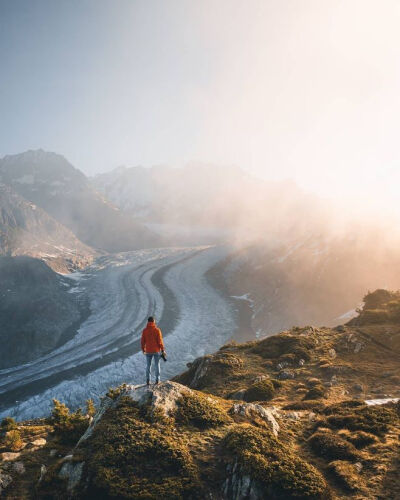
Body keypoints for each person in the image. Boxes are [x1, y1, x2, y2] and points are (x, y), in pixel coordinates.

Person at [141, 316, 166, 385]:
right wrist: (163, 349)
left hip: (148, 351)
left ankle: (148, 381)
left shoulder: (145, 330)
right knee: (157, 365)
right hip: (156, 351)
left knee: (148, 366)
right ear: (154, 322)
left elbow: (143, 341)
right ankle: (157, 380)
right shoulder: (157, 330)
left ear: (148, 322)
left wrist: (143, 349)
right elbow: (160, 341)